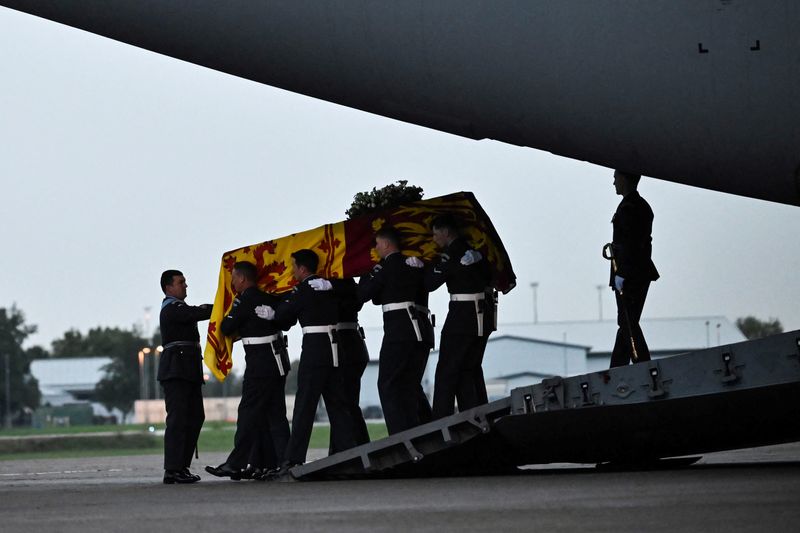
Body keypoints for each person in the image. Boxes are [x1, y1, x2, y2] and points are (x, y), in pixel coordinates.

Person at [256, 249, 350, 476]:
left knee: (305, 406)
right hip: (335, 347)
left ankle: (293, 459)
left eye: (293, 266)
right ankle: (350, 451)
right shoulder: (330, 286)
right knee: (338, 404)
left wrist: (272, 314)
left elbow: (285, 314)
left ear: (302, 268)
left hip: (316, 348)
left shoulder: (304, 289)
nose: (291, 270)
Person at [205, 261, 290, 481]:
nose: (232, 281)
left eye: (233, 277)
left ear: (242, 279)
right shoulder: (269, 298)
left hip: (260, 365)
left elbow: (226, 327)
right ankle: (285, 461)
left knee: (248, 414)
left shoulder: (245, 300)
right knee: (275, 414)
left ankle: (235, 463)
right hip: (277, 360)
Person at [358, 225, 434, 435]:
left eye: (377, 244)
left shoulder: (388, 266)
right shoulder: (415, 264)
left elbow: (362, 295)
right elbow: (378, 297)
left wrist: (367, 269)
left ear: (385, 244)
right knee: (410, 385)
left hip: (400, 331)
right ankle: (425, 430)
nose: (375, 249)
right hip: (422, 330)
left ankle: (401, 436)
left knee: (388, 384)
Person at [425, 214, 494, 419]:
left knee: (447, 369)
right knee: (469, 369)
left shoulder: (453, 253)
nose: (434, 239)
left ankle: (440, 420)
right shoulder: (476, 252)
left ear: (446, 232)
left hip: (462, 317)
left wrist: (426, 267)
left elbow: (431, 283)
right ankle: (477, 413)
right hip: (483, 315)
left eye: (436, 234)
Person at [158, 269, 212, 484]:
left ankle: (181, 466)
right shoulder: (172, 309)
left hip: (187, 372)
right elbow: (195, 313)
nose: (185, 286)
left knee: (194, 417)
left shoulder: (178, 308)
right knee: (179, 420)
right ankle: (173, 469)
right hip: (177, 372)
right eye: (181, 282)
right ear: (168, 288)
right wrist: (221, 305)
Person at [608, 169, 660, 367]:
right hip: (634, 271)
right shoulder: (637, 205)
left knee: (628, 321)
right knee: (627, 321)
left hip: (630, 273)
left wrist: (621, 273)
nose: (613, 183)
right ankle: (620, 365)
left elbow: (632, 244)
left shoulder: (631, 207)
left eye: (616, 179)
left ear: (625, 180)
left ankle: (641, 364)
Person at [329, 278, 370, 452]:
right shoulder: (350, 287)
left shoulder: (340, 287)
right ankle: (357, 445)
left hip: (344, 346)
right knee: (349, 402)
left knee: (343, 402)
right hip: (353, 343)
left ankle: (347, 448)